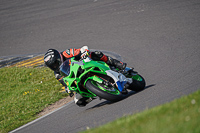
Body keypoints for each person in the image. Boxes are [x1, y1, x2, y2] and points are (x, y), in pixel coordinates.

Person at [44, 46, 126, 107]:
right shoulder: (57, 74)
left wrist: (84, 53)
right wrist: (68, 88)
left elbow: (83, 49)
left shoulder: (67, 53)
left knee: (96, 54)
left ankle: (116, 63)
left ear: (58, 57)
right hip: (78, 79)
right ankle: (95, 93)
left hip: (84, 64)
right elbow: (65, 83)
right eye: (52, 66)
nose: (55, 67)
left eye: (55, 63)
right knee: (78, 102)